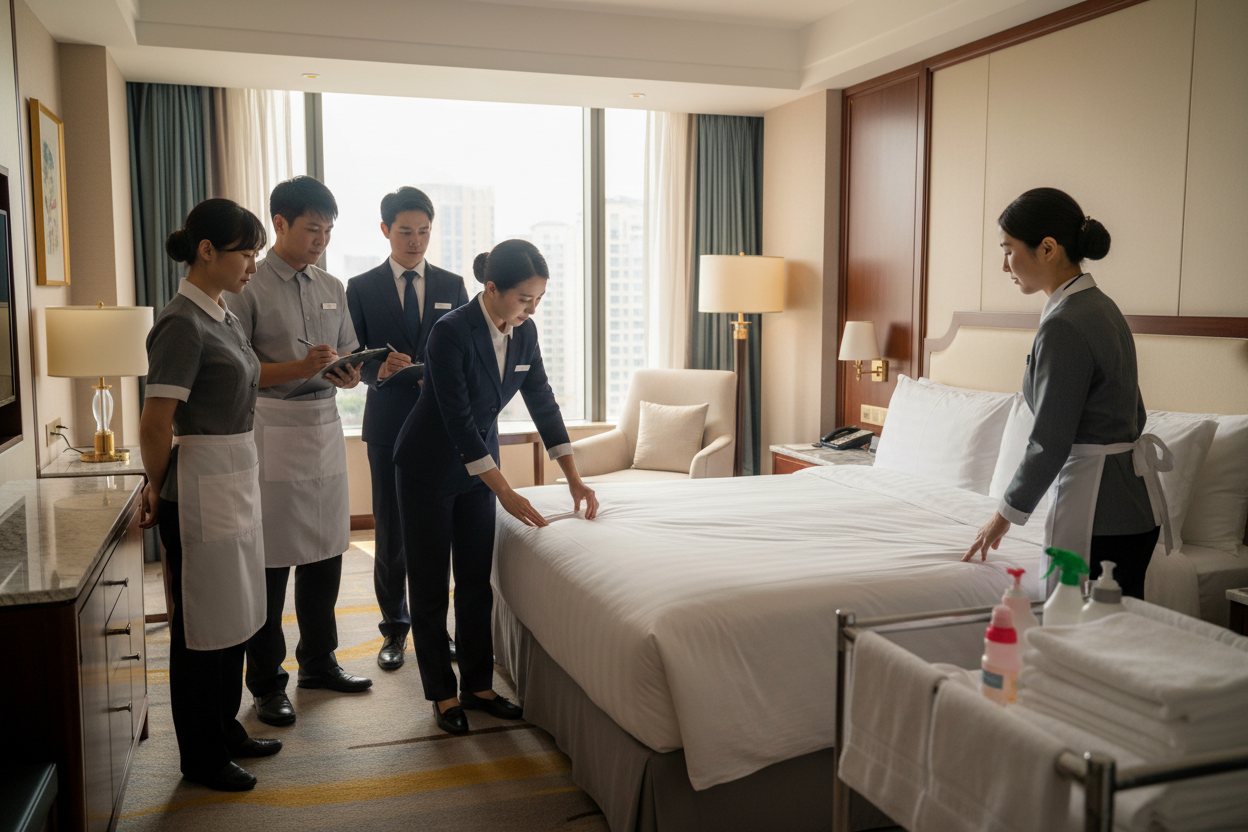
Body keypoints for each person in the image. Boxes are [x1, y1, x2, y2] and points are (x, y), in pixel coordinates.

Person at [393, 239, 599, 735]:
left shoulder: (524, 336)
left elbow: (543, 403)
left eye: (539, 300)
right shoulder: (450, 333)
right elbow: (459, 422)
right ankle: (443, 695)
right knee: (428, 586)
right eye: (525, 299)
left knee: (474, 580)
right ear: (491, 288)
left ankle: (479, 687)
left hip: (479, 470)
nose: (532, 309)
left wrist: (574, 477)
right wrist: (505, 491)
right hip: (428, 467)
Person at [963, 187, 1170, 599]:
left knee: (1080, 640)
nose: (1005, 265)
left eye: (1008, 250)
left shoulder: (1064, 324)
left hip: (1096, 512)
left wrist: (1002, 516)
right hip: (1134, 506)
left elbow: (1049, 442)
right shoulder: (1104, 307)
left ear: (1047, 248)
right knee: (1116, 639)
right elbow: (1136, 413)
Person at [140, 198, 281, 791]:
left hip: (233, 475)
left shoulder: (221, 315)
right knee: (199, 628)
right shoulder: (180, 321)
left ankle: (225, 729)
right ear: (206, 251)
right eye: (246, 251)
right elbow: (156, 420)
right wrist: (157, 484)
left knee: (235, 616)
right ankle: (200, 756)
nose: (253, 263)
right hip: (197, 484)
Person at [226, 176, 372, 729]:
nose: (322, 240)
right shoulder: (248, 286)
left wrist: (351, 373)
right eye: (314, 228)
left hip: (325, 427)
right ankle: (266, 683)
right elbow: (237, 371)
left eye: (330, 230)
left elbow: (350, 354)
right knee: (271, 562)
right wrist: (301, 368)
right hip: (273, 427)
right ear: (280, 224)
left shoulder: (331, 284)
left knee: (327, 552)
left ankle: (319, 661)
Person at [346, 186, 468, 671]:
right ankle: (394, 631)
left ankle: (436, 632)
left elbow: (462, 354)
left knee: (440, 534)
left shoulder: (453, 285)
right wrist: (379, 369)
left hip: (440, 426)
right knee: (392, 533)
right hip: (388, 425)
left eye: (423, 232)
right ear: (385, 231)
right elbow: (350, 360)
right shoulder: (359, 286)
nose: (415, 241)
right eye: (405, 232)